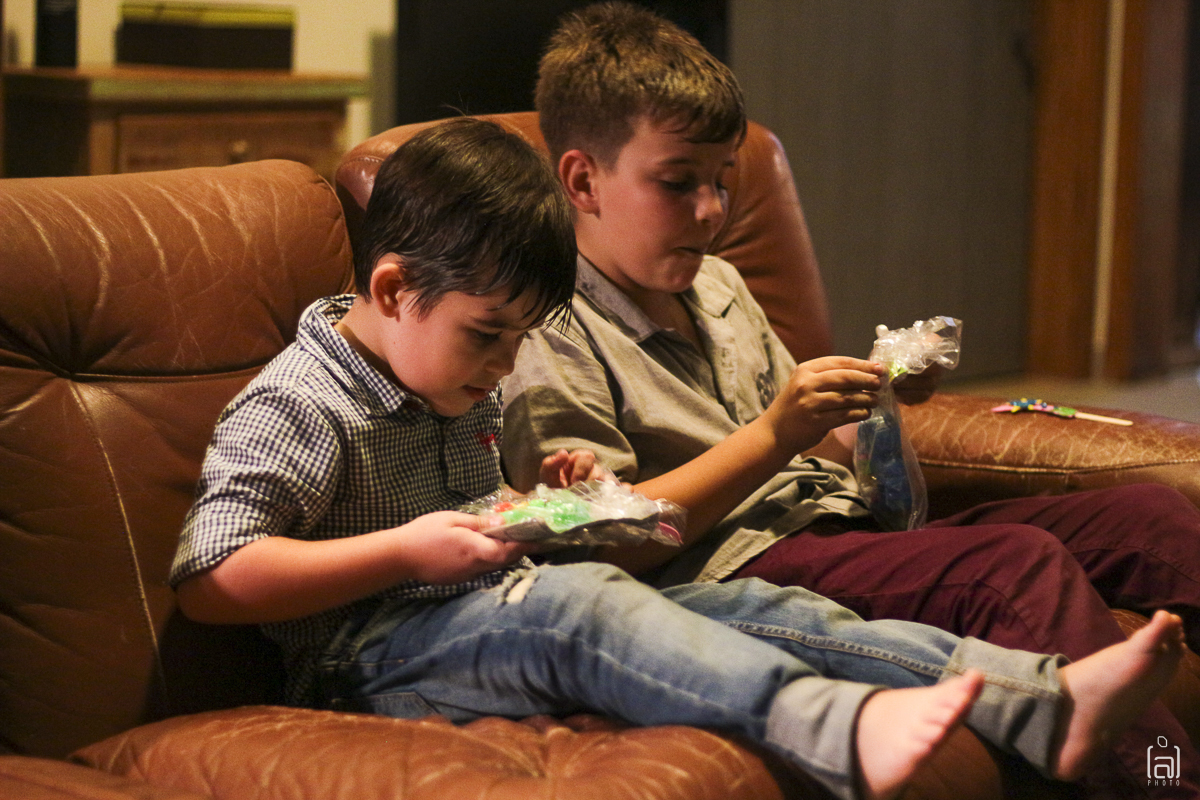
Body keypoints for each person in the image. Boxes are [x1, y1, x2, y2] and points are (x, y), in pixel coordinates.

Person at [167, 117, 1182, 800]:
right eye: (488, 336)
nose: (506, 366)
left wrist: (540, 497)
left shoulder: (455, 374)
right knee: (581, 606)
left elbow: (484, 516)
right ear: (393, 290)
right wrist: (403, 551)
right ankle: (839, 728)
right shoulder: (300, 401)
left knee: (763, 609)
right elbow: (213, 575)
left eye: (521, 340)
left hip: (485, 608)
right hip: (368, 662)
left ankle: (1040, 700)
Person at [499, 4, 1200, 798]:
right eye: (677, 182)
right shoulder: (542, 326)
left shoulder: (715, 282)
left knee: (1149, 517)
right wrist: (774, 434)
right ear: (583, 180)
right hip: (731, 567)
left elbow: (818, 451)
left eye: (722, 181)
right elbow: (601, 549)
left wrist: (871, 400)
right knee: (1014, 568)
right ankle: (1165, 785)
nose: (712, 209)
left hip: (836, 523)